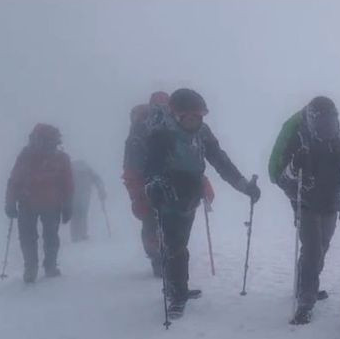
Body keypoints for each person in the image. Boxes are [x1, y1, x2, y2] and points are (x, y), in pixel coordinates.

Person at [144, 88, 260, 318]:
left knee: (180, 243)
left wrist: (245, 186)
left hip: (190, 193)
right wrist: (155, 186)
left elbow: (220, 161)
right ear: (177, 115)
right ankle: (176, 294)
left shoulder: (202, 133)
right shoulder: (162, 133)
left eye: (199, 116)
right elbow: (152, 167)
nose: (195, 121)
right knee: (175, 244)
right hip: (168, 193)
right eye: (190, 116)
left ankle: (177, 288)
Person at [269, 96, 340, 325]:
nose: (327, 128)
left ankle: (306, 285)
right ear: (311, 120)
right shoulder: (299, 138)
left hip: (330, 203)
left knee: (321, 247)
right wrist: (295, 165)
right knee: (312, 250)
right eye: (323, 123)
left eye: (331, 122)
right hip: (305, 203)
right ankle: (306, 300)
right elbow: (281, 178)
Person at [123, 93, 215, 277]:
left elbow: (132, 166)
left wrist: (136, 191)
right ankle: (164, 266)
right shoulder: (150, 130)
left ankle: (163, 265)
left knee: (156, 223)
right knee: (163, 226)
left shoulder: (142, 130)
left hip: (150, 183)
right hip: (161, 184)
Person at [5, 123, 74, 283]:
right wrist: (67, 204)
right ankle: (40, 267)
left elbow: (14, 180)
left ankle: (36, 267)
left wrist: (10, 202)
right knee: (44, 236)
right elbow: (67, 184)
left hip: (35, 202)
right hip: (42, 202)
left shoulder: (29, 155)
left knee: (33, 237)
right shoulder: (55, 157)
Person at [70, 160, 106, 242]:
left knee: (75, 215)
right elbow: (98, 180)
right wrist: (101, 191)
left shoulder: (72, 170)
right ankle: (83, 234)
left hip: (74, 195)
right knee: (83, 213)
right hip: (85, 194)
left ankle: (75, 236)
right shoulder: (88, 170)